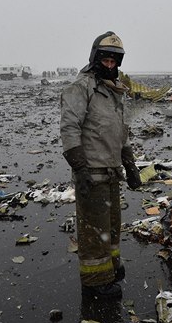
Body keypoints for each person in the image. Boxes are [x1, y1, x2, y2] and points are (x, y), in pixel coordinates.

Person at [60, 31, 141, 299]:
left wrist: (130, 166)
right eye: (105, 60)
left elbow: (121, 133)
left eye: (114, 61)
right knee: (95, 232)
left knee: (111, 227)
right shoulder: (81, 87)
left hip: (112, 172)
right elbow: (70, 128)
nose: (109, 65)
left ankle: (111, 268)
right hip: (91, 173)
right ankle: (95, 283)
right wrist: (80, 169)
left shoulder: (114, 92)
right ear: (95, 58)